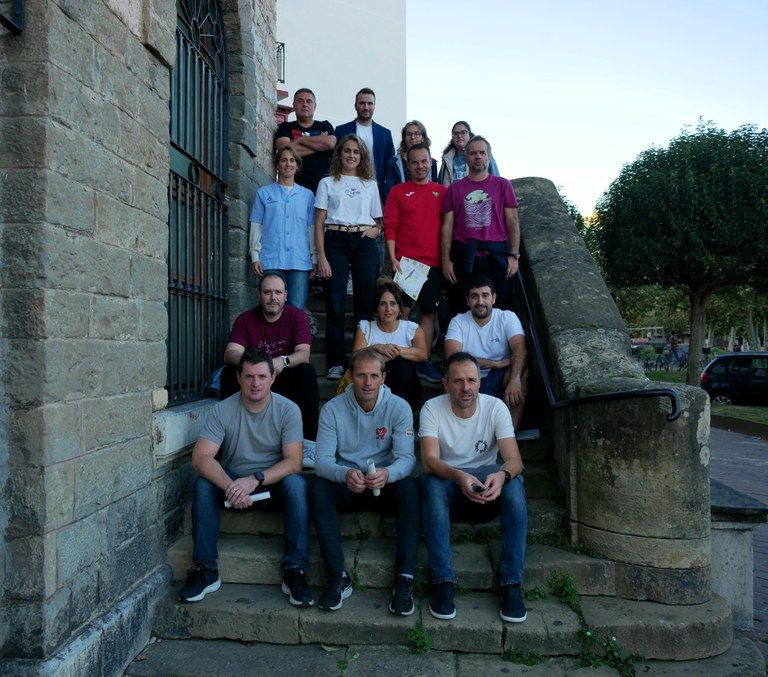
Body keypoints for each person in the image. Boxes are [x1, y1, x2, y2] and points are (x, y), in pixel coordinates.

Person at [179, 349, 312, 607]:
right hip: (233, 484)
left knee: (297, 484)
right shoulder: (222, 410)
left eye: (262, 376)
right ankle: (206, 570)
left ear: (273, 378)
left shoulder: (288, 410)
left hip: (271, 486)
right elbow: (200, 458)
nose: (255, 383)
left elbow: (294, 463)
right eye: (249, 376)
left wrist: (255, 479)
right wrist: (232, 486)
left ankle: (295, 570)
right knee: (204, 484)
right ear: (239, 378)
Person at [419, 352, 528, 623]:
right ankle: (443, 580)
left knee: (515, 485)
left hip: (488, 487)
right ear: (445, 384)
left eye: (471, 380)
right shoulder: (432, 408)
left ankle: (511, 583)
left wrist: (501, 476)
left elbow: (515, 461)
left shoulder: (496, 407)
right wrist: (459, 476)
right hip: (451, 489)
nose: (466, 388)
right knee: (432, 486)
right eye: (458, 381)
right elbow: (429, 461)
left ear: (480, 381)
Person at [310, 348, 420, 615]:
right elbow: (321, 461)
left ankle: (405, 577)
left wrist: (388, 474)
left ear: (384, 377)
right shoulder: (332, 409)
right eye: (361, 375)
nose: (367, 383)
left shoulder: (399, 407)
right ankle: (338, 575)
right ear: (350, 376)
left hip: (384, 483)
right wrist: (344, 474)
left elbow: (407, 459)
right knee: (318, 487)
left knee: (410, 487)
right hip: (349, 483)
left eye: (374, 376)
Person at [315, 135, 383, 381]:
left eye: (356, 151)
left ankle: (361, 360)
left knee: (365, 303)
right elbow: (319, 223)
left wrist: (376, 230)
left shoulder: (370, 184)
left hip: (364, 241)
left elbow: (379, 222)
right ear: (340, 154)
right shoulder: (327, 183)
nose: (351, 155)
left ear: (362, 156)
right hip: (336, 240)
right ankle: (335, 362)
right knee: (335, 303)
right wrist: (321, 257)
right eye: (347, 151)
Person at [221, 272, 319, 441]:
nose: (273, 297)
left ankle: (308, 442)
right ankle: (229, 438)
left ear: (285, 295)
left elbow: (304, 354)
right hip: (255, 378)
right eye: (267, 292)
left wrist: (284, 361)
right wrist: (254, 365)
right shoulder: (245, 319)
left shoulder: (298, 317)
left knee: (306, 372)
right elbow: (230, 353)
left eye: (278, 292)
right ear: (259, 294)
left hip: (284, 375)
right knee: (228, 373)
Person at [384, 142, 445, 383]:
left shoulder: (441, 192)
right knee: (403, 313)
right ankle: (400, 358)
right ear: (407, 165)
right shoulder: (398, 191)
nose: (420, 166)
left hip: (434, 263)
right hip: (407, 264)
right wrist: (392, 258)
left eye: (424, 161)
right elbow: (390, 226)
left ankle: (423, 361)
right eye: (415, 162)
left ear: (430, 162)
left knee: (429, 313)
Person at [441, 135, 520, 314]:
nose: (478, 156)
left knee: (501, 308)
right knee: (463, 308)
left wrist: (514, 256)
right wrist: (446, 260)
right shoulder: (454, 189)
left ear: (488, 157)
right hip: (465, 257)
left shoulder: (503, 185)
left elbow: (512, 221)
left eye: (482, 153)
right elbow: (447, 227)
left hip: (497, 256)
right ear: (466, 157)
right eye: (473, 153)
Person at [444, 274, 527, 429]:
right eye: (474, 296)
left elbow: (519, 348)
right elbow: (452, 358)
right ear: (468, 301)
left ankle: (508, 433)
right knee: (450, 377)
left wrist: (514, 379)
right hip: (469, 376)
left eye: (485, 295)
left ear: (493, 298)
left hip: (500, 377)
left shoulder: (507, 317)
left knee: (521, 374)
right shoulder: (458, 321)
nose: (480, 301)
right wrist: (495, 363)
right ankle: (461, 430)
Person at [249, 146, 315, 310]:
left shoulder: (307, 196)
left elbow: (311, 228)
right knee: (270, 307)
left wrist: (314, 257)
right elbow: (257, 225)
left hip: (299, 260)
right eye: (284, 160)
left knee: (296, 308)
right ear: (277, 164)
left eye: (292, 160)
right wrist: (255, 255)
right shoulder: (264, 193)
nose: (288, 164)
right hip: (270, 258)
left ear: (297, 165)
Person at [351, 282, 427, 407]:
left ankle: (399, 409)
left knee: (402, 364)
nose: (388, 309)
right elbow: (355, 356)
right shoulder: (365, 327)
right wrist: (376, 348)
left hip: (405, 387)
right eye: (383, 304)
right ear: (376, 307)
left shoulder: (412, 328)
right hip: (373, 386)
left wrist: (395, 350)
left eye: (393, 304)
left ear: (399, 307)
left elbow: (423, 354)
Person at [334, 88, 395, 204]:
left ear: (374, 106)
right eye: (362, 103)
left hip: (376, 190)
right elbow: (336, 159)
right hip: (346, 189)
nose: (366, 107)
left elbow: (389, 165)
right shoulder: (341, 130)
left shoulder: (385, 134)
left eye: (370, 103)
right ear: (355, 106)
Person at [274, 88, 336, 194]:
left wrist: (300, 140)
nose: (305, 104)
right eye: (300, 101)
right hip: (292, 189)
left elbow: (330, 143)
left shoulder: (324, 125)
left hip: (322, 189)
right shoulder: (285, 127)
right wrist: (319, 147)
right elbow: (285, 149)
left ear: (314, 106)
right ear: (294, 105)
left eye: (309, 101)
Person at [383, 120, 438, 201]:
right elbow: (389, 192)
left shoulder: (432, 162)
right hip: (402, 203)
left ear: (423, 137)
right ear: (404, 138)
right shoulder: (394, 163)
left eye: (417, 133)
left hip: (427, 202)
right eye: (409, 134)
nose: (413, 137)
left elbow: (435, 188)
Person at [437, 120, 500, 186]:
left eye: (463, 132)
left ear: (469, 134)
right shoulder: (447, 159)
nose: (459, 136)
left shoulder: (483, 155)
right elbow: (441, 183)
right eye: (455, 133)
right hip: (453, 192)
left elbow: (496, 179)